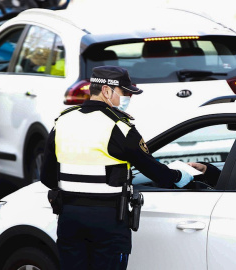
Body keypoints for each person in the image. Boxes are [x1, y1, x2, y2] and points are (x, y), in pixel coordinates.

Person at [41, 66, 203, 270]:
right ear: (107, 91)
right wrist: (182, 176)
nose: (127, 98)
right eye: (125, 93)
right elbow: (156, 173)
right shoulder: (119, 127)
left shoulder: (62, 122)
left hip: (69, 218)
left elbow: (47, 177)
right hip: (107, 220)